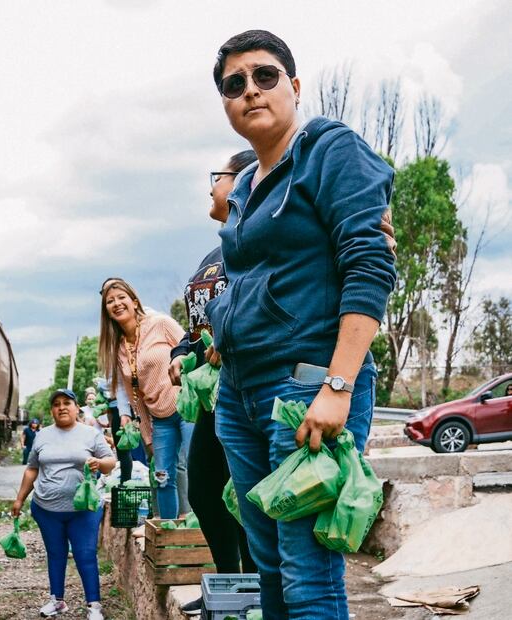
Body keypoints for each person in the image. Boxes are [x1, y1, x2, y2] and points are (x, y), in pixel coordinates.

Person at [204, 30, 397, 619]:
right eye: (234, 85)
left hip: (305, 384)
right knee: (269, 572)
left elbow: (370, 262)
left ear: (293, 84)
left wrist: (338, 385)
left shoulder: (327, 149)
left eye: (264, 76)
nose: (250, 91)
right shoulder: (247, 189)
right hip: (239, 394)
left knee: (309, 577)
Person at [169, 150, 259, 616]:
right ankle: (231, 587)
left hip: (246, 389)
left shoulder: (258, 240)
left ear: (244, 179)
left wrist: (230, 336)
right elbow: (195, 326)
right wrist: (181, 354)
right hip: (209, 397)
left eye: (218, 176)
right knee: (205, 491)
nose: (211, 186)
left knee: (240, 494)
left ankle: (251, 593)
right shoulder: (214, 251)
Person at [11, 389, 116, 619]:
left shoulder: (91, 434)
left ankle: (94, 606)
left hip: (83, 510)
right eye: (56, 404)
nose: (61, 407)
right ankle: (57, 601)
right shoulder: (42, 436)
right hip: (47, 509)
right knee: (55, 553)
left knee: (85, 554)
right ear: (52, 410)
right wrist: (20, 499)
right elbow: (32, 469)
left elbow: (111, 462)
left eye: (67, 402)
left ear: (76, 407)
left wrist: (99, 462)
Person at [98, 278, 193, 519]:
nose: (117, 304)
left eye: (121, 298)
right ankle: (169, 532)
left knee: (195, 467)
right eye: (110, 301)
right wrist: (147, 435)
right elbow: (135, 396)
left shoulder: (159, 324)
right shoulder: (118, 347)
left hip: (187, 408)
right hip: (160, 418)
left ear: (134, 301)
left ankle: (201, 530)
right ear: (106, 310)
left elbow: (191, 347)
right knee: (162, 476)